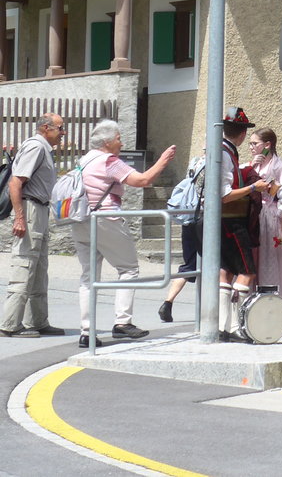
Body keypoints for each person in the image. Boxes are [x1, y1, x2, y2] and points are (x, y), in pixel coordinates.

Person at [72, 120, 176, 347]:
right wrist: (163, 161)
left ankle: (86, 332)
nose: (122, 142)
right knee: (128, 269)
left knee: (89, 278)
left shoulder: (85, 159)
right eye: (119, 138)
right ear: (108, 142)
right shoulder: (109, 160)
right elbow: (143, 180)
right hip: (105, 219)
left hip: (80, 220)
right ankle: (122, 323)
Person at [1, 113, 67, 338]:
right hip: (30, 210)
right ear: (46, 128)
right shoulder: (36, 147)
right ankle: (9, 325)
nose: (63, 133)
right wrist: (20, 218)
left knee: (39, 269)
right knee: (25, 265)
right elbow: (15, 182)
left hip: (39, 209)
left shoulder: (43, 149)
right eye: (60, 128)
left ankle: (37, 321)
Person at [217, 106, 268, 342]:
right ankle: (237, 327)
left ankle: (221, 326)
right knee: (246, 272)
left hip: (222, 222)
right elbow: (224, 195)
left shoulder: (223, 151)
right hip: (232, 221)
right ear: (242, 133)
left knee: (225, 273)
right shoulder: (226, 154)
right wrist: (252, 188)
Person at [247, 128, 282, 303]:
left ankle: (272, 309)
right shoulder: (250, 166)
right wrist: (252, 167)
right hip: (252, 218)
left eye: (255, 143)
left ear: (267, 145)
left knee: (270, 265)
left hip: (270, 219)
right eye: (250, 143)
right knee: (249, 265)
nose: (251, 147)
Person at [158, 153, 205, 323]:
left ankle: (167, 302)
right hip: (204, 218)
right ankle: (217, 309)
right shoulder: (214, 163)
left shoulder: (195, 161)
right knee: (218, 265)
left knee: (189, 265)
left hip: (188, 216)